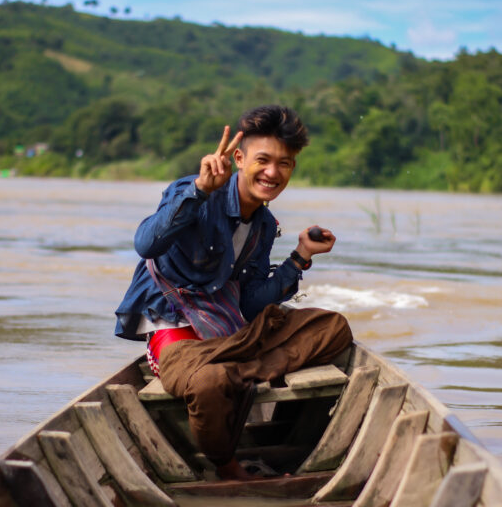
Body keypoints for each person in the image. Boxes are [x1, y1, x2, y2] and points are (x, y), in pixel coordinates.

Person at [115, 105, 353, 480]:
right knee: (210, 382)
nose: (273, 172)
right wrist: (199, 191)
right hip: (177, 331)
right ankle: (226, 463)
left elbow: (249, 302)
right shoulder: (193, 191)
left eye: (285, 164)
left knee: (332, 327)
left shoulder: (263, 225)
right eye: (263, 160)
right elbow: (146, 244)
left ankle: (236, 370)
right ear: (239, 158)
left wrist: (301, 256)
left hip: (228, 334)